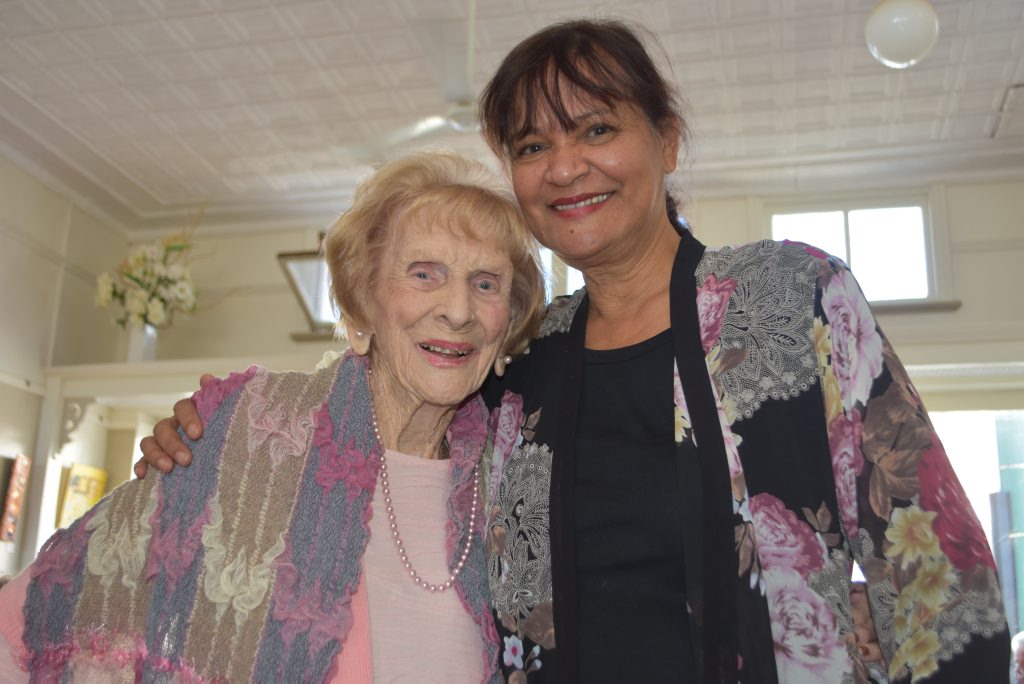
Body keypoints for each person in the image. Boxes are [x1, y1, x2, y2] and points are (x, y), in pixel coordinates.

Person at [138, 19, 1010, 683]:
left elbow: (938, 568)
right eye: (530, 146)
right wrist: (215, 438)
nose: (563, 168)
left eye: (595, 130)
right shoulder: (522, 359)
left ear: (665, 141)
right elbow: (375, 430)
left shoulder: (794, 298)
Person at [0, 151, 544, 681]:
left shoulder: (513, 478)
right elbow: (25, 625)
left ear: (506, 326)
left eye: (486, 283)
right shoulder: (251, 431)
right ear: (362, 309)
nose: (458, 309)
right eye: (425, 274)